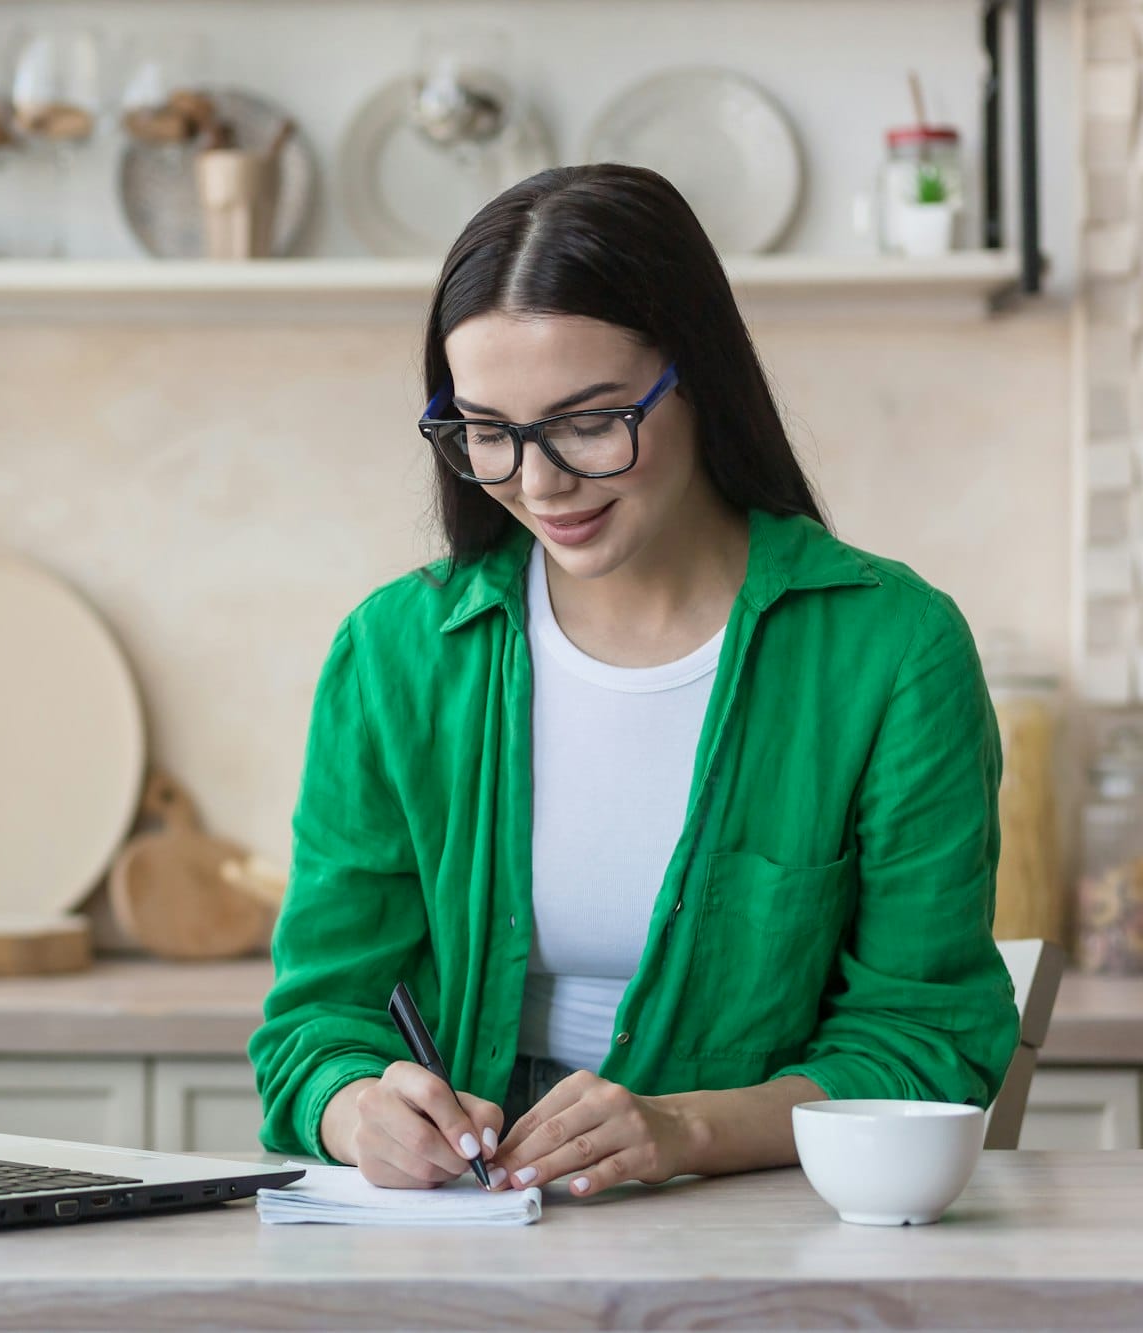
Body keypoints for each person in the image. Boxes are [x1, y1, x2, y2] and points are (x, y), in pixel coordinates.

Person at [246, 164, 1020, 1197]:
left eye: (586, 421)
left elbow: (927, 1041)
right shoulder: (394, 652)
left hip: (756, 1199)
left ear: (695, 375)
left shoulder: (889, 650)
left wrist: (685, 1131)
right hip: (465, 1216)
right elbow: (312, 1022)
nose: (537, 481)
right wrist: (355, 1110)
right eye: (486, 430)